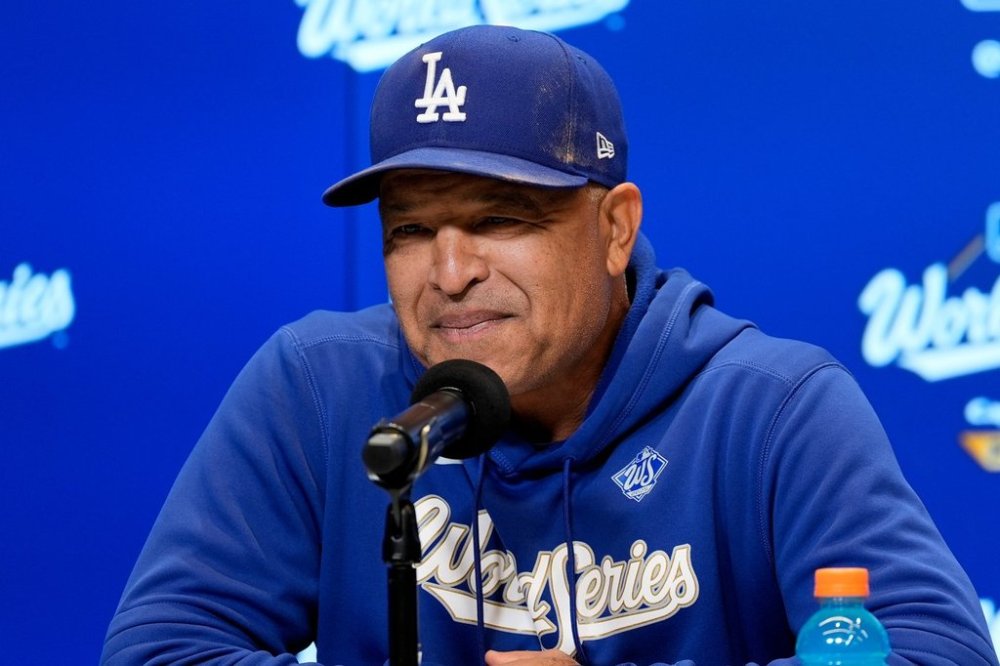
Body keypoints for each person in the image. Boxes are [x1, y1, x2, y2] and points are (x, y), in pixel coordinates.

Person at [101, 24, 998, 666]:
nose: (448, 273)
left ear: (614, 228)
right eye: (410, 231)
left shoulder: (769, 408)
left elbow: (936, 651)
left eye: (499, 219)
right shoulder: (319, 388)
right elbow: (161, 650)